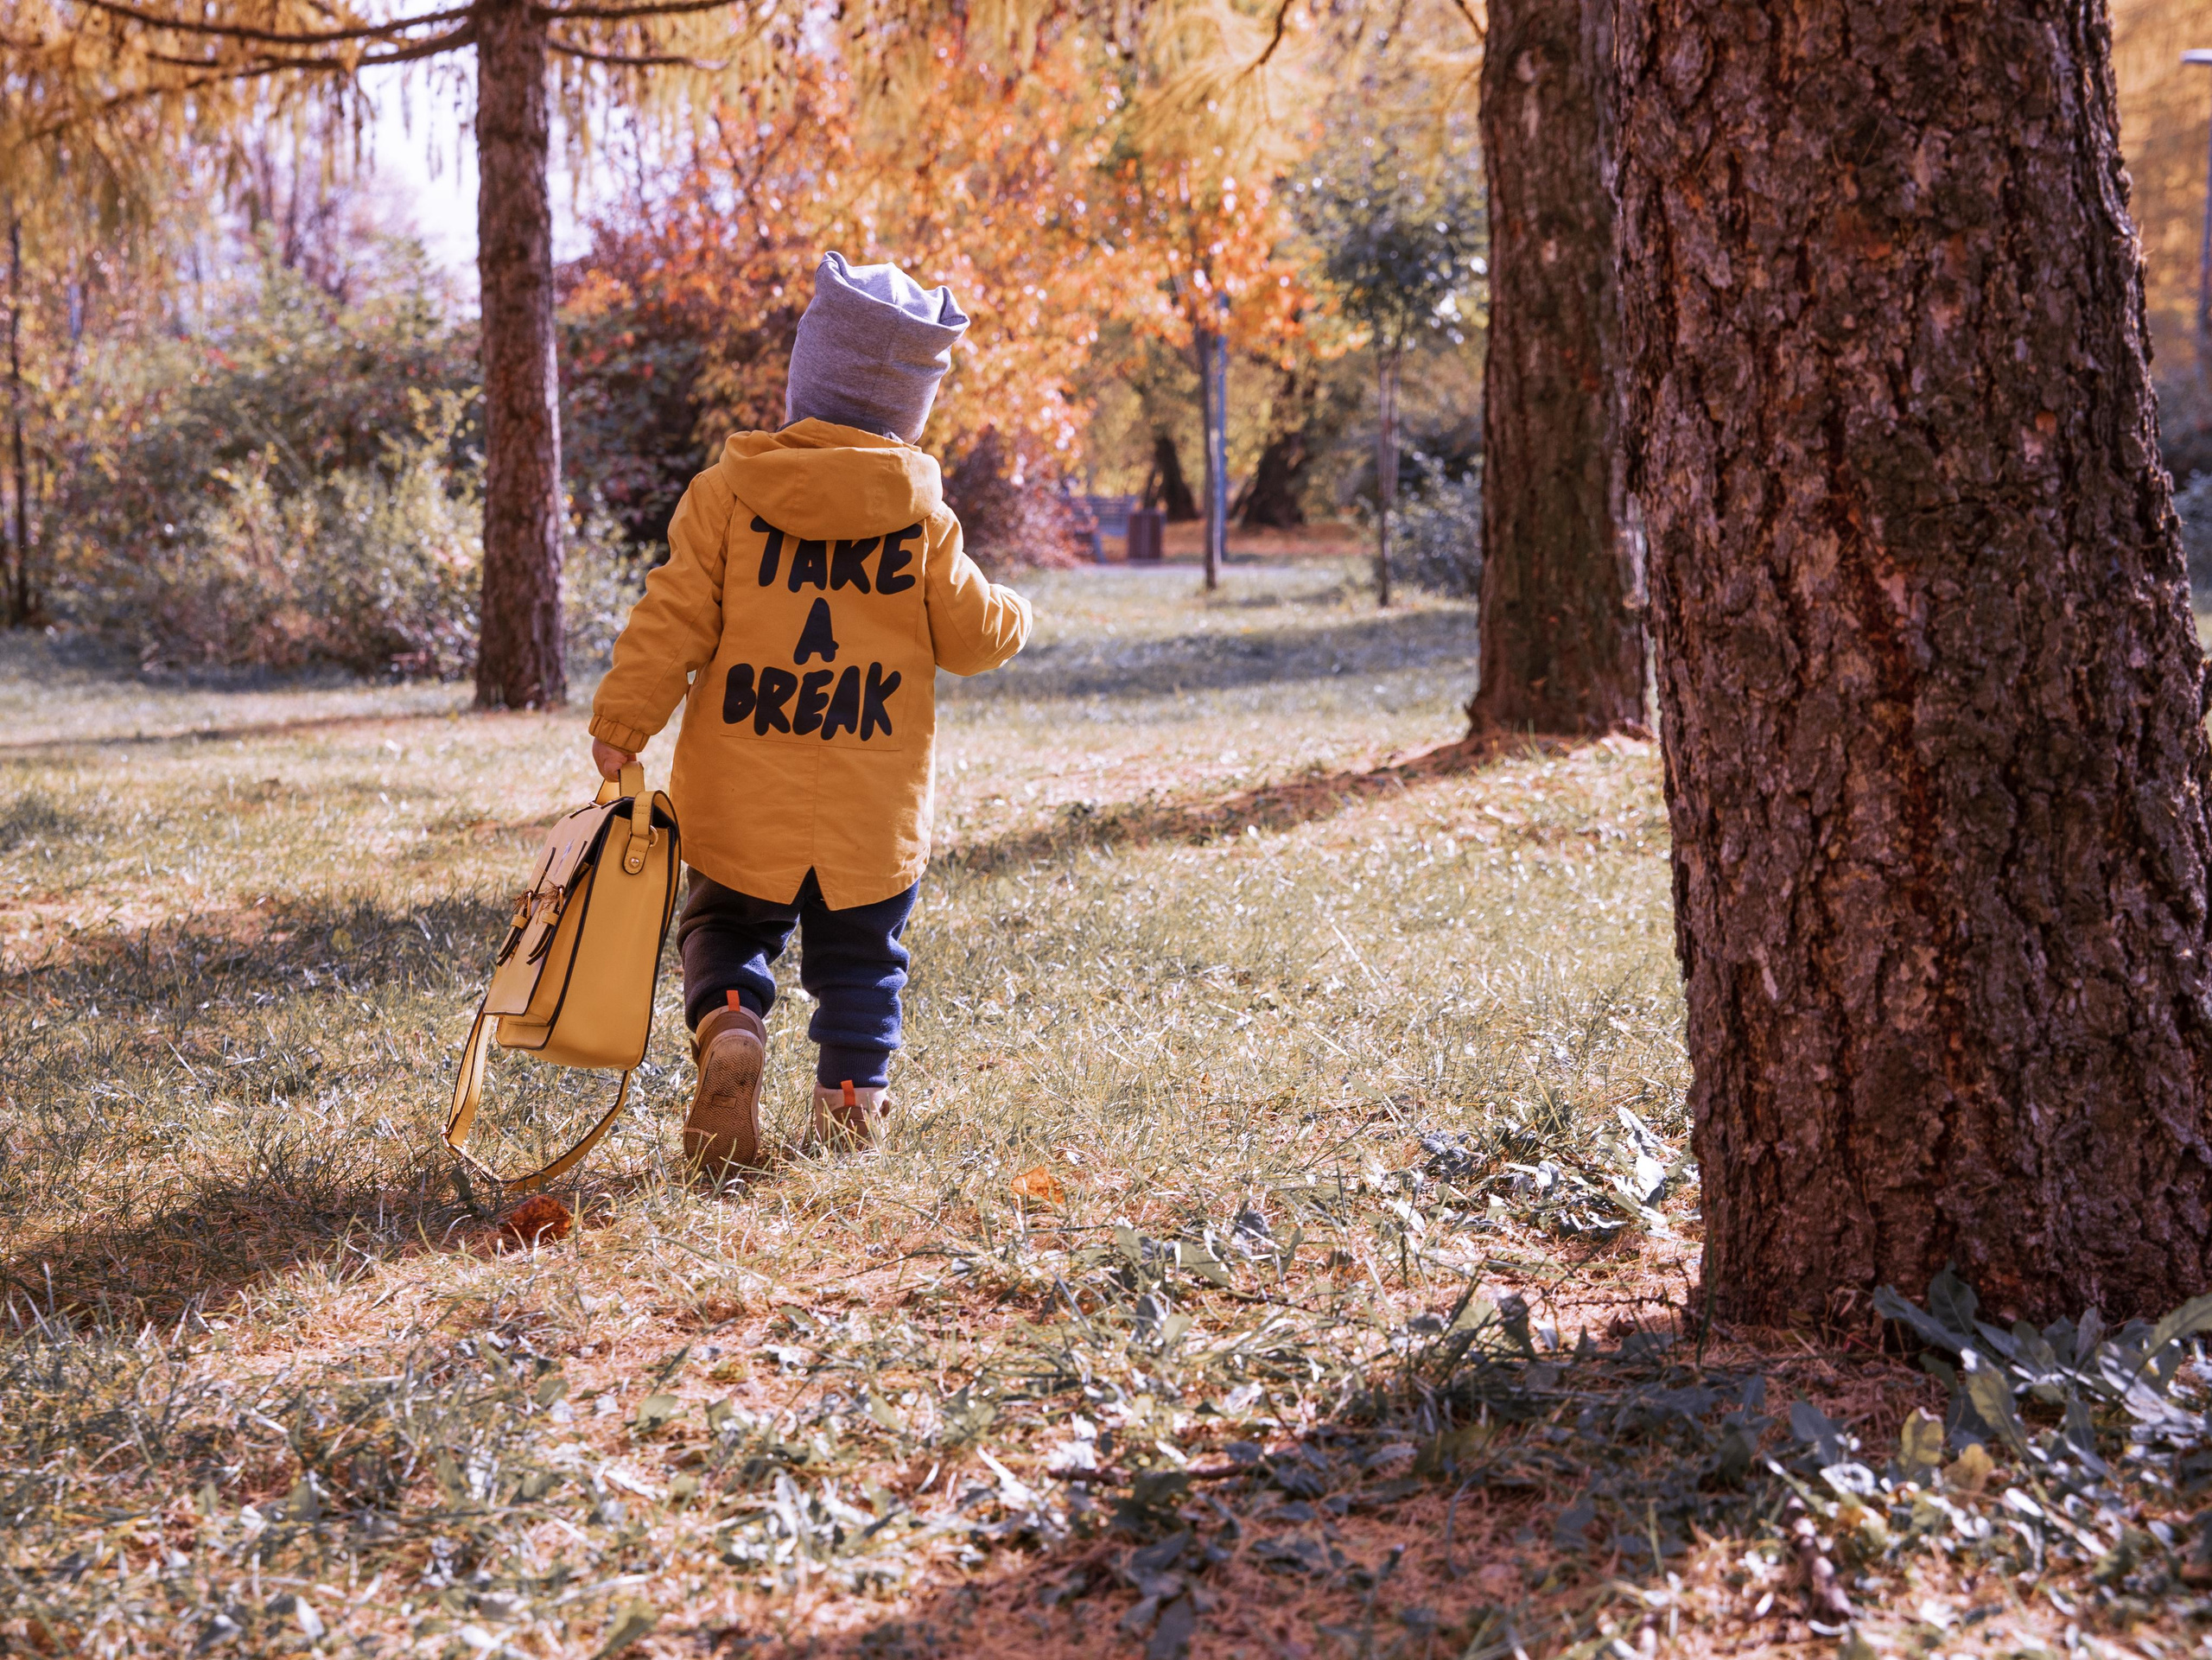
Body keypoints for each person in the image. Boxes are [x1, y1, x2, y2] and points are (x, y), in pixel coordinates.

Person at [587, 251, 1032, 1173]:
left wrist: (622, 724)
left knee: (725, 928)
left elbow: (668, 619)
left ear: (805, 376)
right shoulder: (921, 518)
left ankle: (731, 1020)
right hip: (870, 806)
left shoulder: (727, 496)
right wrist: (1018, 612)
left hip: (741, 795)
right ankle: (847, 1104)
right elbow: (973, 637)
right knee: (864, 959)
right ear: (910, 406)